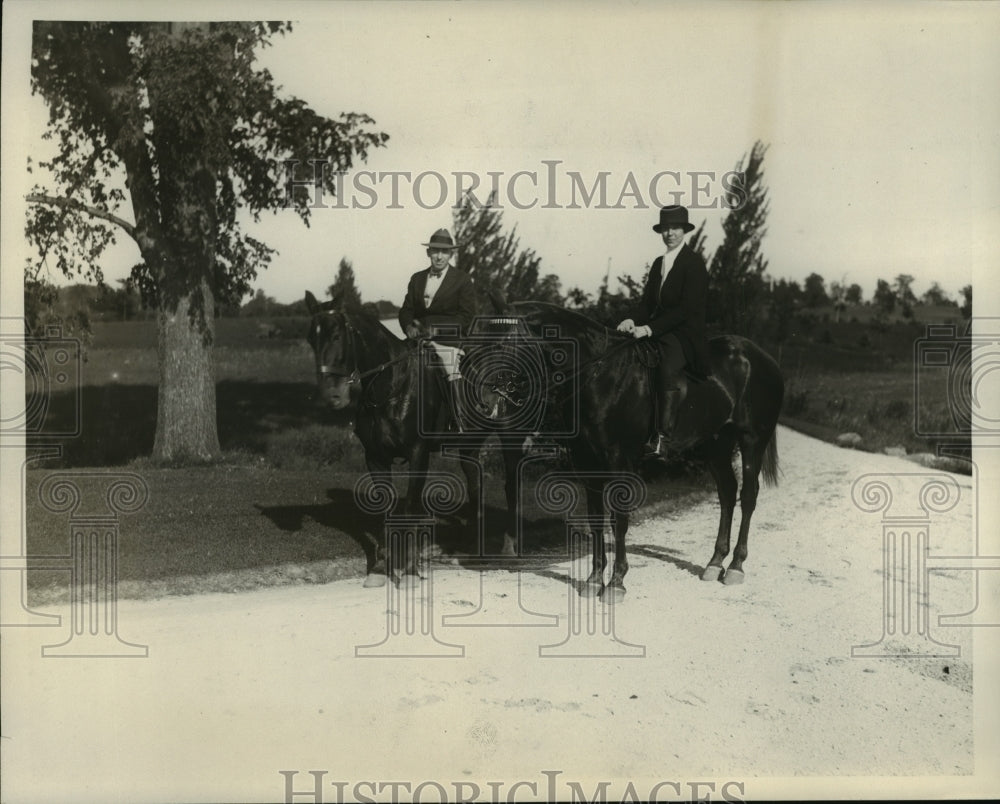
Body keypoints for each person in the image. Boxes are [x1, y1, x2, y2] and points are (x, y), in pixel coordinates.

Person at [617, 205, 712, 460]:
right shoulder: (660, 262)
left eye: (675, 228)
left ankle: (663, 436)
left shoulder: (693, 263)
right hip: (660, 330)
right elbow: (647, 304)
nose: (670, 233)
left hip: (684, 334)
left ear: (684, 231)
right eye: (666, 229)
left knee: (667, 367)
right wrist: (630, 320)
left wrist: (649, 328)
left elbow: (686, 309)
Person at [399, 228, 477, 431]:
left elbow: (466, 317)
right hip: (417, 341)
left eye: (444, 252)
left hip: (447, 342)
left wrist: (436, 330)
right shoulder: (416, 279)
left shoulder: (462, 280)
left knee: (450, 368)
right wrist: (408, 326)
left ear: (451, 254)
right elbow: (406, 310)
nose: (439, 256)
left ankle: (460, 420)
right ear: (428, 253)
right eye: (435, 251)